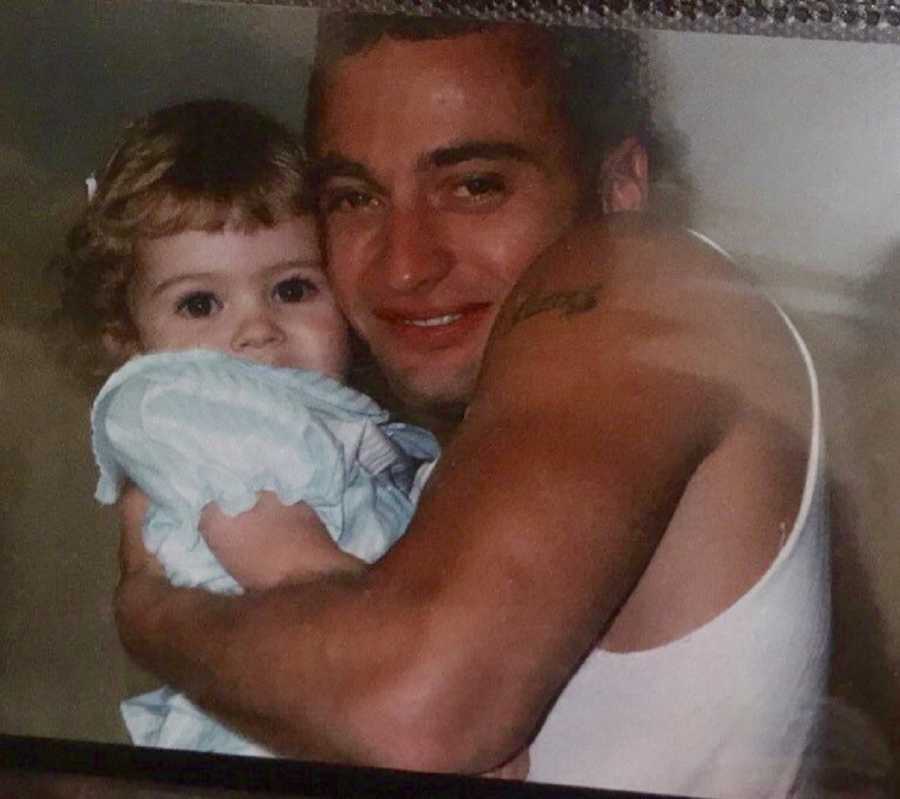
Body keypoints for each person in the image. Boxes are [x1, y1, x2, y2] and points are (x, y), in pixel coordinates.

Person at [113, 14, 830, 797]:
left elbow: (414, 711)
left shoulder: (640, 275)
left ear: (621, 186)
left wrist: (153, 613)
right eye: (354, 197)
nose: (407, 264)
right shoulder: (445, 463)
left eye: (475, 185)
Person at [61, 99, 441, 757]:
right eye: (200, 303)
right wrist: (445, 697)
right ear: (128, 338)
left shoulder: (330, 423)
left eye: (293, 289)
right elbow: (303, 580)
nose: (257, 328)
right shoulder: (196, 409)